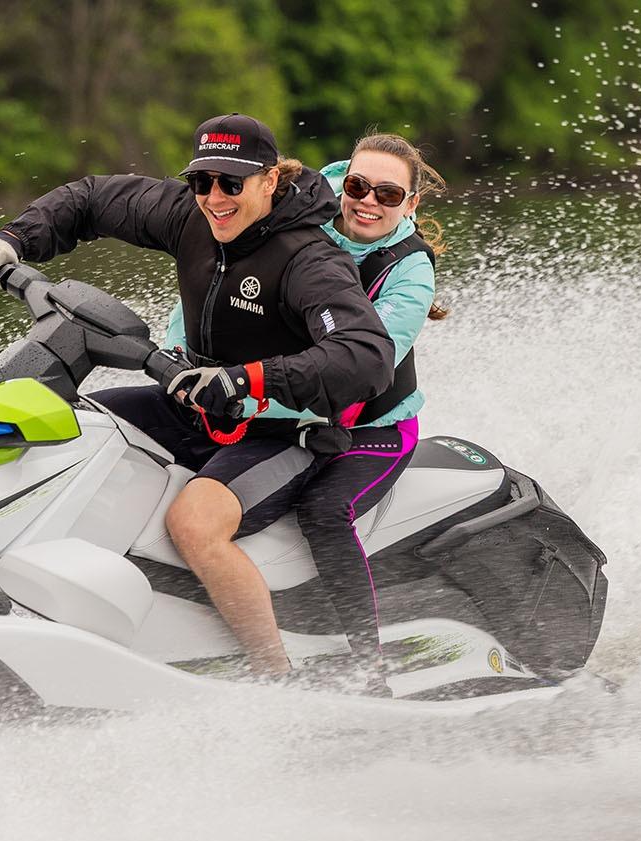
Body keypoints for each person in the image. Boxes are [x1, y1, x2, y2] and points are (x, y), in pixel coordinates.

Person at [0, 114, 397, 676]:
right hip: (190, 407)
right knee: (57, 427)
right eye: (201, 180)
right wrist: (15, 238)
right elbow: (93, 198)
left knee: (192, 523)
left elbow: (366, 356)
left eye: (231, 183)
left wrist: (248, 378)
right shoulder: (189, 217)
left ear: (270, 180)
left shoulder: (310, 261)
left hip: (280, 431)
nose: (214, 198)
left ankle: (275, 677)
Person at [156, 131, 448, 688]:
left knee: (324, 511)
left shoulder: (411, 273)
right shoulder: (299, 210)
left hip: (370, 428)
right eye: (358, 186)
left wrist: (240, 390)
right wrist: (182, 358)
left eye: (387, 195)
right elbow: (210, 286)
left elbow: (356, 369)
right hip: (278, 412)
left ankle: (370, 665)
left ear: (409, 204)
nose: (367, 201)